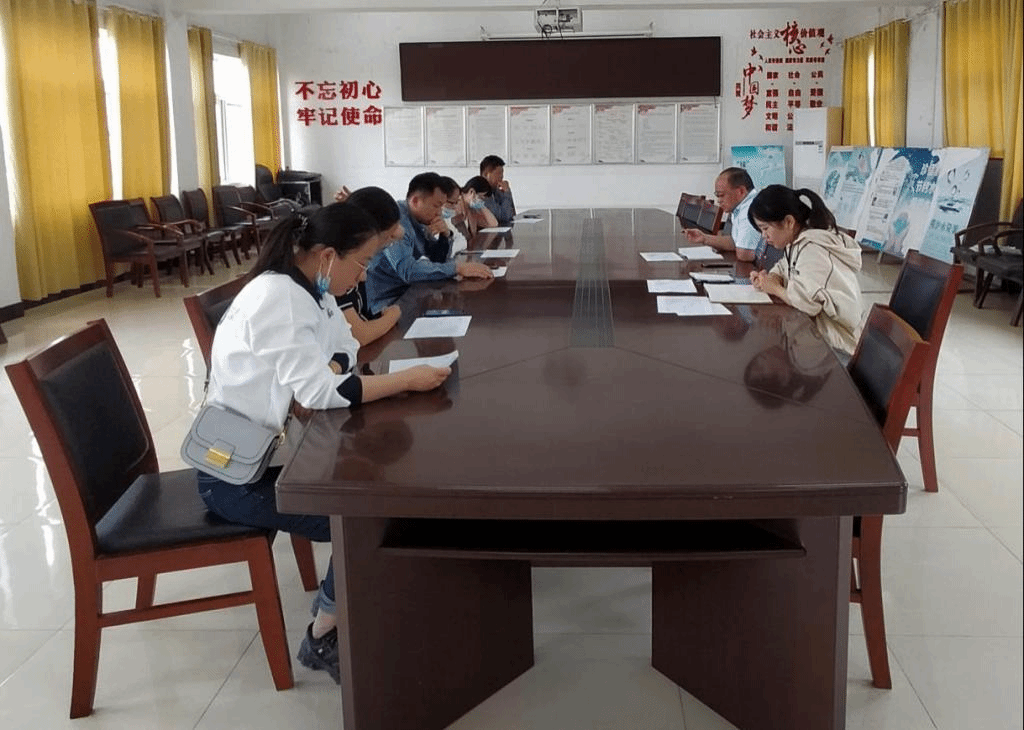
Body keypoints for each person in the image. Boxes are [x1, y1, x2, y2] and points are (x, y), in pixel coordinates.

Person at [197, 202, 451, 684]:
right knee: (363, 512)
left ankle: (353, 599)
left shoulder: (313, 289)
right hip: (235, 474)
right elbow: (317, 392)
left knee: (381, 480)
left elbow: (347, 348)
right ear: (329, 255)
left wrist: (328, 371)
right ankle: (323, 635)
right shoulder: (279, 297)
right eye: (363, 262)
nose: (365, 275)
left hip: (278, 451)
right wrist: (405, 380)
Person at [747, 184, 864, 358]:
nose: (764, 236)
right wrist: (771, 277)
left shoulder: (813, 249)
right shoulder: (797, 242)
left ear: (789, 222)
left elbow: (808, 304)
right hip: (814, 336)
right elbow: (783, 266)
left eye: (765, 228)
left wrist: (775, 288)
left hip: (836, 348)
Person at [364, 171, 493, 312]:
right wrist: (456, 268)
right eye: (436, 206)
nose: (439, 212)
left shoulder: (421, 220)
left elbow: (437, 259)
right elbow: (408, 271)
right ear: (415, 201)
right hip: (388, 302)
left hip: (411, 293)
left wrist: (445, 235)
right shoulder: (397, 221)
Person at [337, 186, 404, 345]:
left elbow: (399, 232)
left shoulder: (354, 254)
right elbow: (360, 335)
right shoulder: (338, 265)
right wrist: (392, 315)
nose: (363, 276)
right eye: (386, 238)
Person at [683, 167, 760, 263]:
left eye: (722, 195)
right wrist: (704, 238)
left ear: (741, 191)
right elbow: (734, 242)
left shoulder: (750, 210)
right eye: (717, 196)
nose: (719, 201)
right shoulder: (740, 206)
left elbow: (744, 254)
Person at [480, 154, 516, 225]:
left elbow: (512, 214)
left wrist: (507, 192)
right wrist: (507, 193)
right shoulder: (482, 193)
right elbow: (505, 217)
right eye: (498, 173)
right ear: (486, 175)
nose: (501, 176)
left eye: (502, 173)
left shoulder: (496, 191)